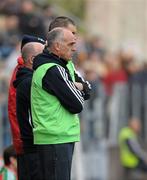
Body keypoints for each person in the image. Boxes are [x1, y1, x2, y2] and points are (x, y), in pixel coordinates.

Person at [31, 28, 90, 180]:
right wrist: (77, 88)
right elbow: (77, 103)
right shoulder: (54, 69)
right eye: (71, 44)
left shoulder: (51, 66)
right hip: (56, 138)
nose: (75, 48)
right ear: (57, 46)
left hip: (52, 138)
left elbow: (86, 89)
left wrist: (80, 87)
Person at [8, 35, 45, 180]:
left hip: (27, 141)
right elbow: (15, 111)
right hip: (27, 143)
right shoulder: (24, 77)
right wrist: (21, 142)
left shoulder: (23, 72)